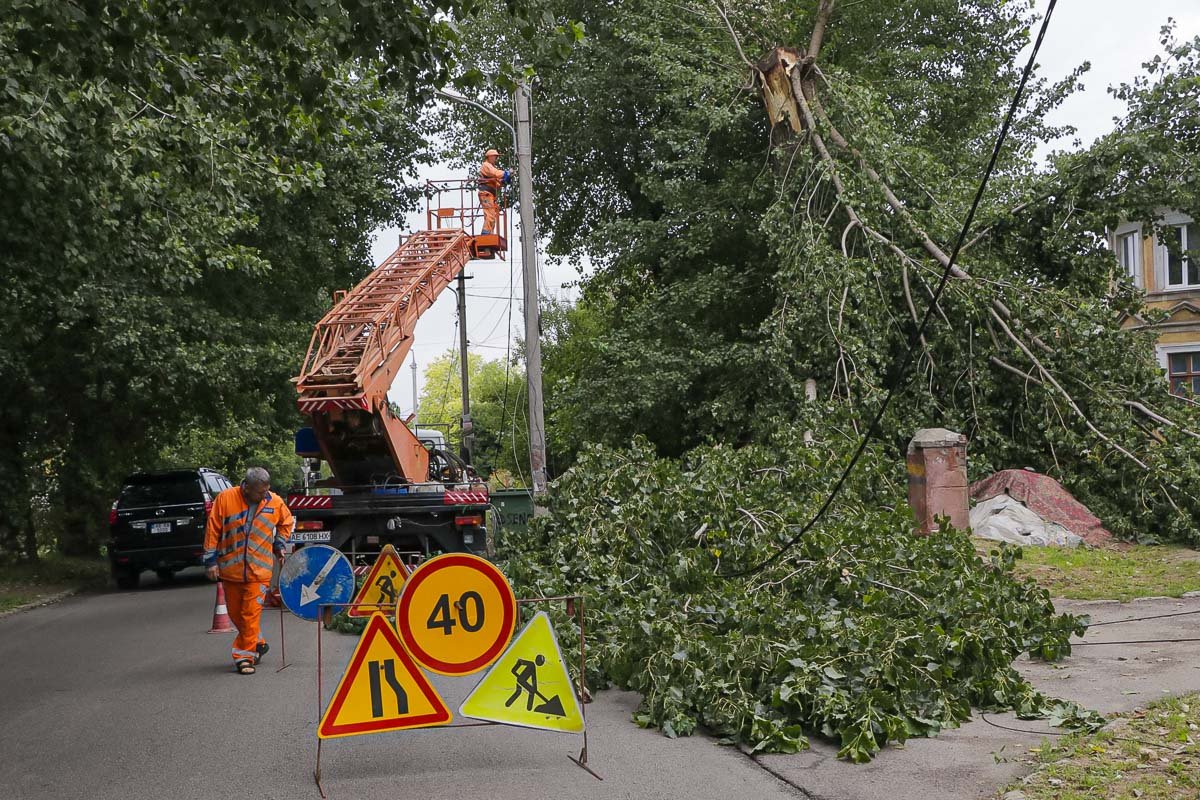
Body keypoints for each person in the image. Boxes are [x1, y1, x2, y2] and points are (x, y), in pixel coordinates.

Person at [204, 467, 295, 675]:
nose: (265, 496)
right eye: (260, 492)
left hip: (259, 572)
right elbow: (213, 530)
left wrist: (279, 543)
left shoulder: (274, 502)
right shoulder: (226, 499)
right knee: (237, 615)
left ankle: (244, 657)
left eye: (266, 491)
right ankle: (258, 642)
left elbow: (287, 522)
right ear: (246, 487)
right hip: (231, 571)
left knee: (250, 614)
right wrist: (210, 561)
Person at [478, 148, 510, 235]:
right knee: (490, 215)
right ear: (490, 157)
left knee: (492, 215)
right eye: (495, 157)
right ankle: (486, 234)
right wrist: (506, 173)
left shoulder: (490, 167)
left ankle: (489, 233)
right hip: (485, 194)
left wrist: (503, 181)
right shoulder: (486, 165)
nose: (496, 159)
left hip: (489, 194)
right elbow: (495, 173)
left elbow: (496, 183)